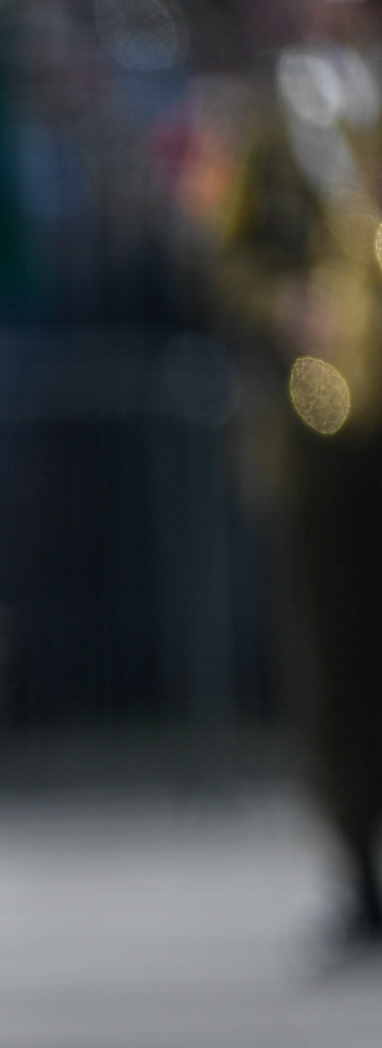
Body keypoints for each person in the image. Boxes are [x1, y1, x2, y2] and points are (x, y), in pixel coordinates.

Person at [212, 0, 382, 948]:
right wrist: (289, 303)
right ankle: (356, 859)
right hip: (323, 407)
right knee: (335, 650)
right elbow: (226, 255)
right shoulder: (275, 119)